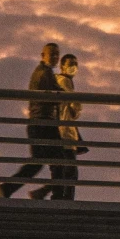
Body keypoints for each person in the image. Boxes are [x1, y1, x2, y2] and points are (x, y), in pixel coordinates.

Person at [0, 43, 64, 196]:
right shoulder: (44, 73)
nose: (55, 57)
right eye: (52, 54)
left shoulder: (44, 72)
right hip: (43, 123)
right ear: (43, 56)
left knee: (47, 162)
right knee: (60, 161)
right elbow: (54, 96)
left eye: (57, 54)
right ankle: (45, 193)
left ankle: (12, 188)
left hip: (40, 123)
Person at [32, 51, 88, 201]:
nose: (74, 67)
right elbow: (75, 105)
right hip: (66, 132)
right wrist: (77, 108)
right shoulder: (64, 81)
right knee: (70, 171)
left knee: (64, 169)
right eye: (71, 64)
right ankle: (64, 201)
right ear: (62, 66)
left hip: (61, 131)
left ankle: (46, 193)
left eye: (76, 64)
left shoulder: (58, 81)